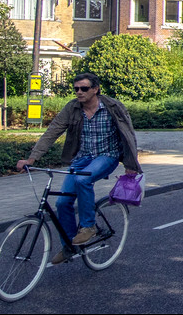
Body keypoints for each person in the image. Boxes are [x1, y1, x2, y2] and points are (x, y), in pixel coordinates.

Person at [16, 72, 141, 265]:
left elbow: (128, 134)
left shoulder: (113, 107)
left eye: (84, 88)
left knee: (83, 180)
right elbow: (52, 131)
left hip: (107, 156)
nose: (79, 92)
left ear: (95, 89)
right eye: (76, 89)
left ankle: (88, 226)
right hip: (81, 158)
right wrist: (32, 158)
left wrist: (131, 165)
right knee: (62, 204)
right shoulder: (72, 108)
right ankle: (70, 246)